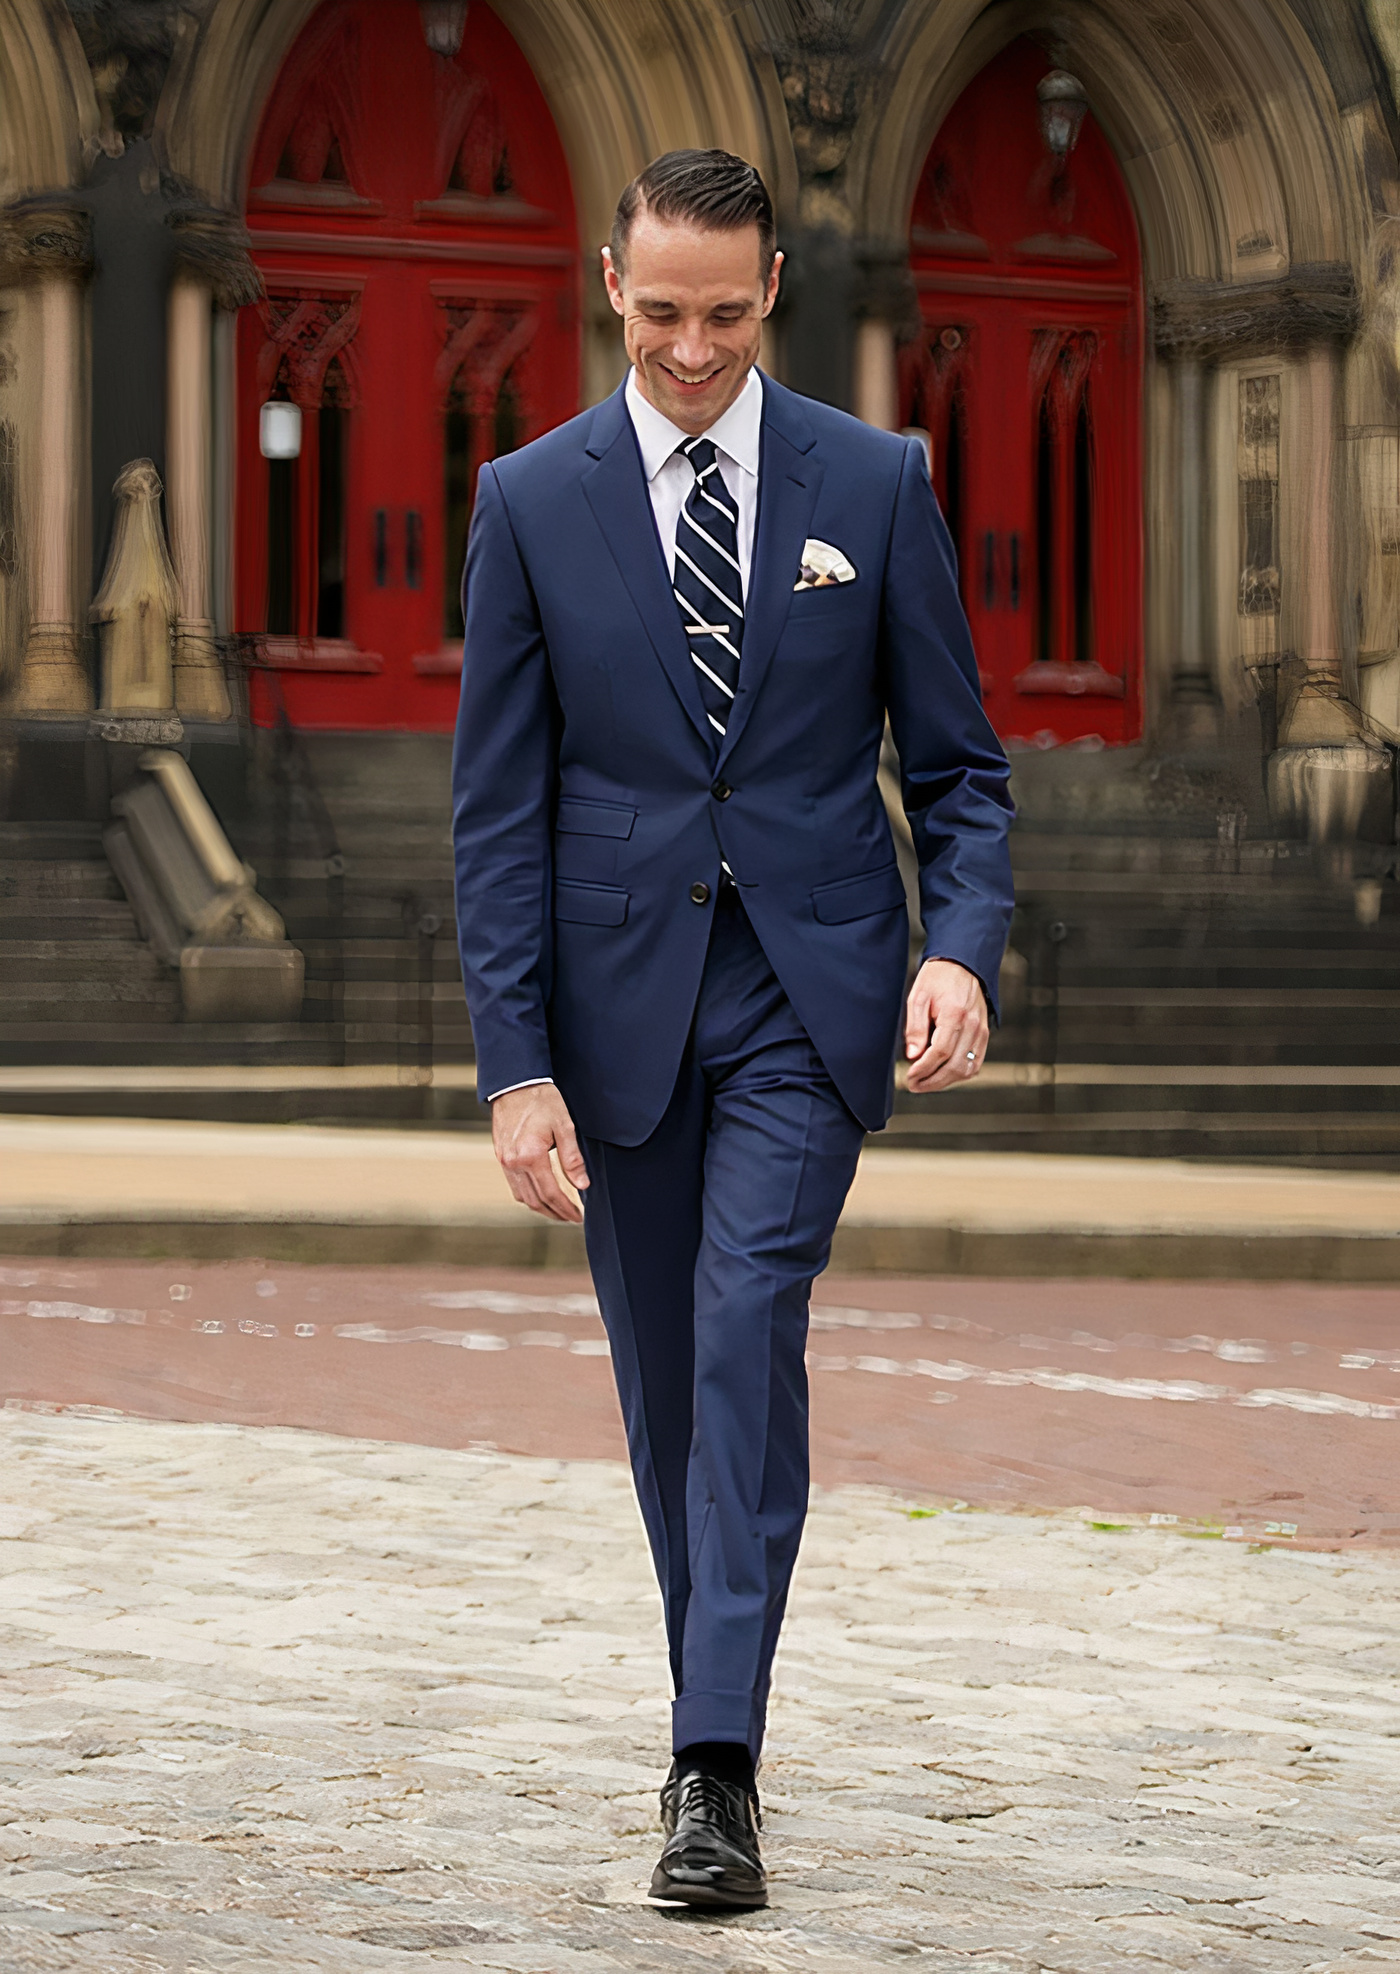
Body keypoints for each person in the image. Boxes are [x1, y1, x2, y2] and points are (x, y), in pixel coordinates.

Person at [452, 149, 1014, 1909]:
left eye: (726, 309)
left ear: (775, 284)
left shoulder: (875, 477)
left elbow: (962, 767)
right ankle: (721, 1694)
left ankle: (713, 1766)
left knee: (742, 1326)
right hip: (616, 1017)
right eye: (660, 309)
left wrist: (962, 949)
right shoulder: (528, 499)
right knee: (665, 1399)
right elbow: (497, 806)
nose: (692, 347)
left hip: (809, 994)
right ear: (608, 282)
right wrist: (515, 1061)